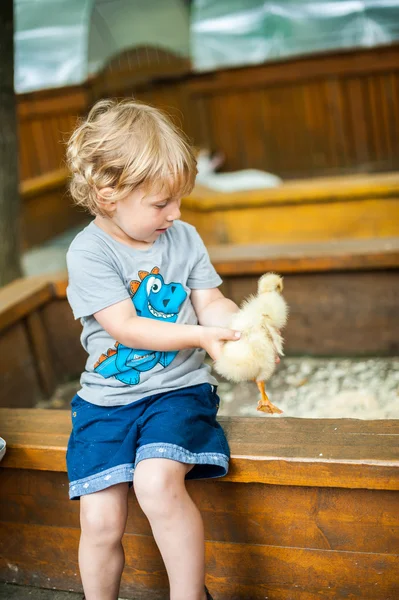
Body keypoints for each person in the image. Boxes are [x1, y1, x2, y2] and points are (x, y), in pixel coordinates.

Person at [65, 98, 243, 600]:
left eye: (178, 200)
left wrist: (234, 325)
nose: (177, 213)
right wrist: (200, 336)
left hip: (177, 391)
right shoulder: (89, 252)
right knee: (99, 520)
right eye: (161, 203)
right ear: (108, 193)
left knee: (157, 482)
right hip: (105, 401)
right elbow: (126, 327)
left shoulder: (183, 238)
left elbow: (210, 301)